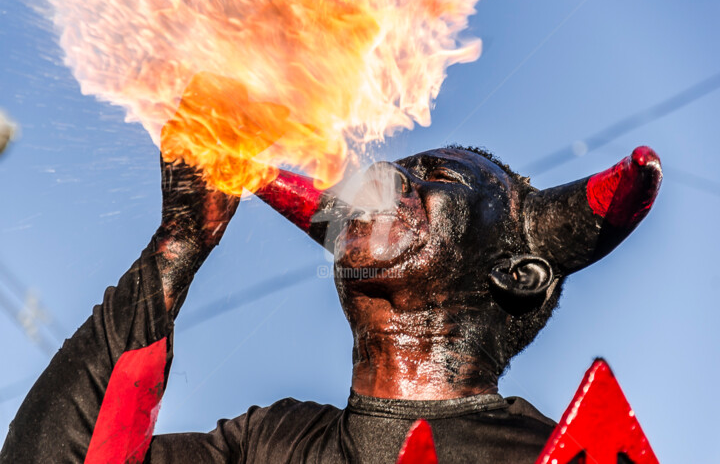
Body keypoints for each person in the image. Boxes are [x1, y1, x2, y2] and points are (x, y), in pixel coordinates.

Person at [0, 144, 662, 463]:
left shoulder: (565, 454)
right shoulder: (266, 442)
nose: (386, 181)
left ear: (518, 272)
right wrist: (177, 249)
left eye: (438, 178)